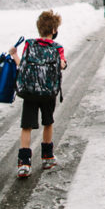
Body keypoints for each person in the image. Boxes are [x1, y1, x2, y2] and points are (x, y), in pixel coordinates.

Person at [9, 10, 67, 177]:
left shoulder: (29, 45)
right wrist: (62, 63)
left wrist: (14, 55)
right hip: (48, 93)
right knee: (48, 122)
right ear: (54, 30)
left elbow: (23, 66)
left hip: (30, 92)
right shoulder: (57, 48)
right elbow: (62, 65)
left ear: (39, 29)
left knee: (26, 126)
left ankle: (24, 163)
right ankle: (47, 157)